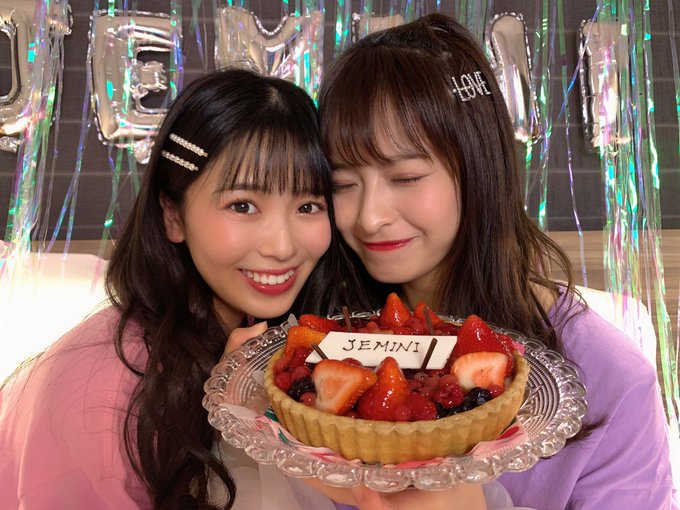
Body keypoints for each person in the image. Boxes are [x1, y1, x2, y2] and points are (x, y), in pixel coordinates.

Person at [318, 13, 677, 510]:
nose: (369, 217)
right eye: (342, 183)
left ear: (478, 168)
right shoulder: (320, 341)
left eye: (405, 177)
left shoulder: (607, 376)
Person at [0, 68, 347, 509]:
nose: (282, 246)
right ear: (173, 216)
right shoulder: (102, 394)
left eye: (308, 205)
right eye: (242, 205)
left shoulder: (270, 342)